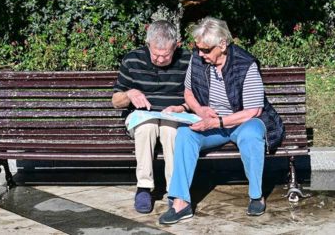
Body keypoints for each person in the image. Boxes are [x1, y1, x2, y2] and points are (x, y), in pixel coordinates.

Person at [159, 17, 285, 224]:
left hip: (242, 120)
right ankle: (181, 202)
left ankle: (256, 195)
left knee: (252, 134)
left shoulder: (245, 64)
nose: (201, 54)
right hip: (212, 122)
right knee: (184, 134)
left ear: (223, 45)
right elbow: (188, 93)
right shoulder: (197, 59)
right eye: (198, 48)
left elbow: (253, 110)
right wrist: (200, 109)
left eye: (206, 50)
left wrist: (217, 122)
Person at [112, 20, 191, 214]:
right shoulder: (132, 59)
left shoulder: (189, 60)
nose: (161, 59)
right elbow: (115, 100)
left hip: (174, 115)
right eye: (156, 54)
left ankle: (176, 190)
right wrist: (129, 94)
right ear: (148, 45)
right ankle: (144, 187)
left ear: (176, 46)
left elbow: (199, 97)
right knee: (147, 126)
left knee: (171, 130)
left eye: (166, 55)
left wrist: (182, 107)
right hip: (141, 117)